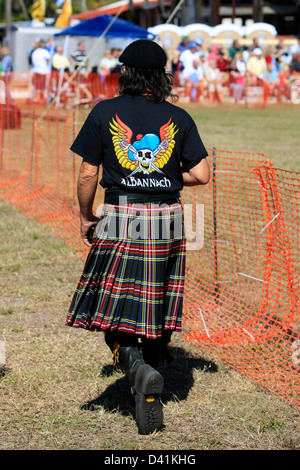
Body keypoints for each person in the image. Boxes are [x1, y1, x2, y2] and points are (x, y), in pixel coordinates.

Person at [66, 39, 210, 435]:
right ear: (162, 75)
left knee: (112, 305)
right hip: (166, 217)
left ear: (125, 72)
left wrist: (84, 215)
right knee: (153, 304)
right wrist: (164, 174)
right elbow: (201, 175)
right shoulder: (178, 117)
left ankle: (136, 366)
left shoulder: (104, 112)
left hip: (121, 214)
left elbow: (87, 174)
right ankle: (147, 372)